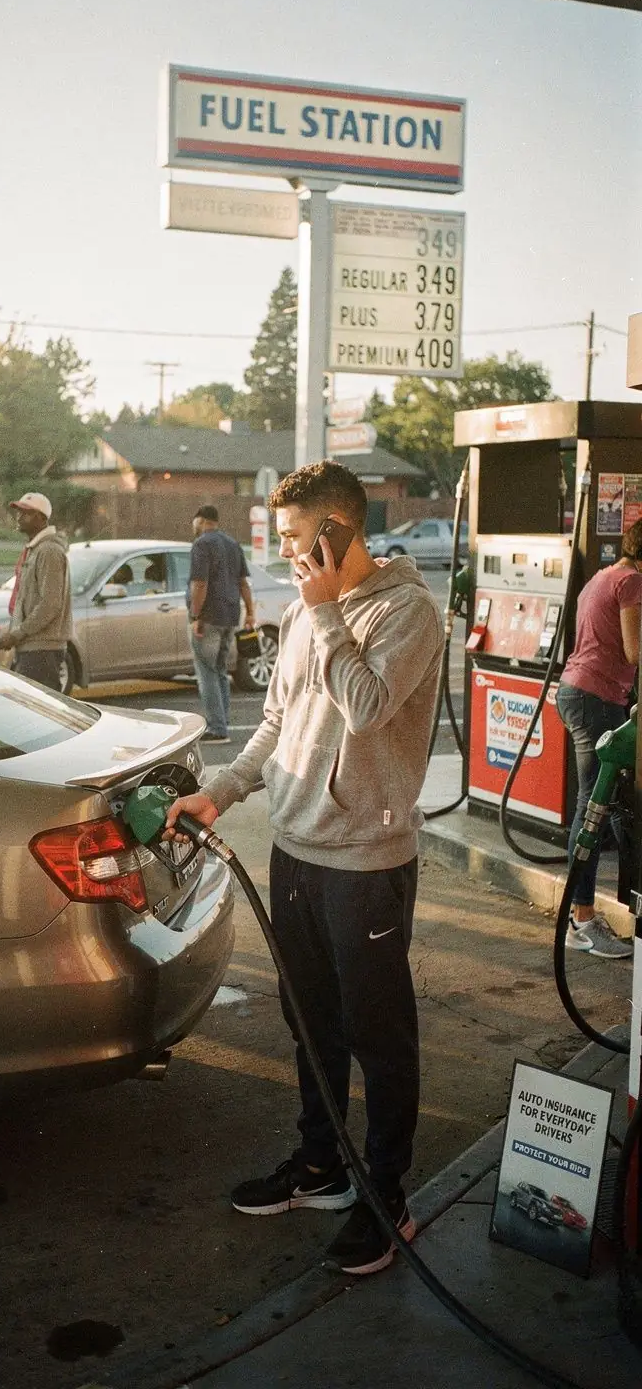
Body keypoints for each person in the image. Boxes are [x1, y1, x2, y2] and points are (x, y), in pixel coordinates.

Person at [167, 462, 443, 1276]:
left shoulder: (406, 611)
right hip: (294, 850)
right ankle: (322, 1166)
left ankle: (386, 1194)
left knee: (377, 1034)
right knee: (310, 1022)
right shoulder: (298, 612)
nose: (283, 550)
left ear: (337, 528)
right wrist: (220, 792)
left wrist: (325, 614)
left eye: (293, 536)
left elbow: (366, 708)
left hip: (364, 861)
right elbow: (278, 723)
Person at [555, 521, 642, 959]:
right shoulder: (631, 582)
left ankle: (592, 912)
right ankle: (582, 919)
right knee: (593, 805)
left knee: (612, 805)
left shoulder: (602, 577)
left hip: (578, 691)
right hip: (597, 698)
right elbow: (634, 651)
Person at [188, 504, 255, 745]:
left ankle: (217, 729)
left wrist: (196, 616)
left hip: (209, 618)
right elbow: (243, 583)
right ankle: (222, 722)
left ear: (200, 520)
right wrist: (250, 613)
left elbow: (200, 584)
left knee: (206, 672)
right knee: (220, 671)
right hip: (230, 616)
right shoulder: (233, 544)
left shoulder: (201, 544)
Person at [0, 491, 73, 691]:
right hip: (32, 647)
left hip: (42, 648)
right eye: (18, 512)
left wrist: (17, 634)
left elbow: (50, 604)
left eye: (26, 513)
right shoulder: (36, 549)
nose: (19, 517)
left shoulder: (49, 551)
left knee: (39, 706)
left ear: (41, 518)